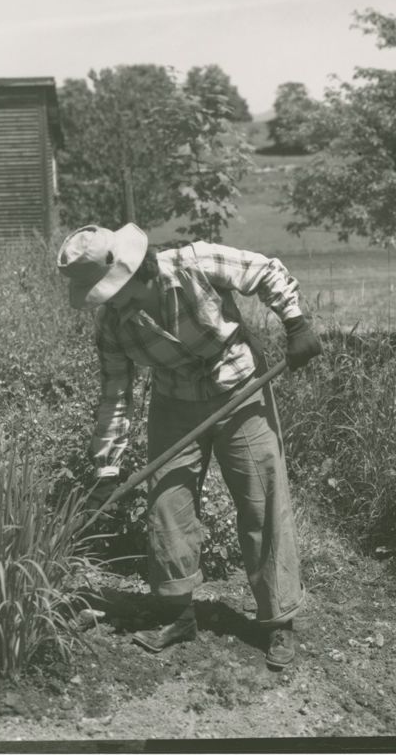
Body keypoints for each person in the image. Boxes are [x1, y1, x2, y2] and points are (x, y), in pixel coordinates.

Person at [57, 222, 322, 669]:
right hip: (174, 402)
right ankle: (178, 613)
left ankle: (278, 620)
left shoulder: (193, 263)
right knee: (167, 502)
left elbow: (265, 271)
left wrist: (295, 322)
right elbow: (115, 396)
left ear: (132, 274)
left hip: (239, 388)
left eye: (107, 290)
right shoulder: (114, 326)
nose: (104, 302)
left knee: (261, 498)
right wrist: (106, 470)